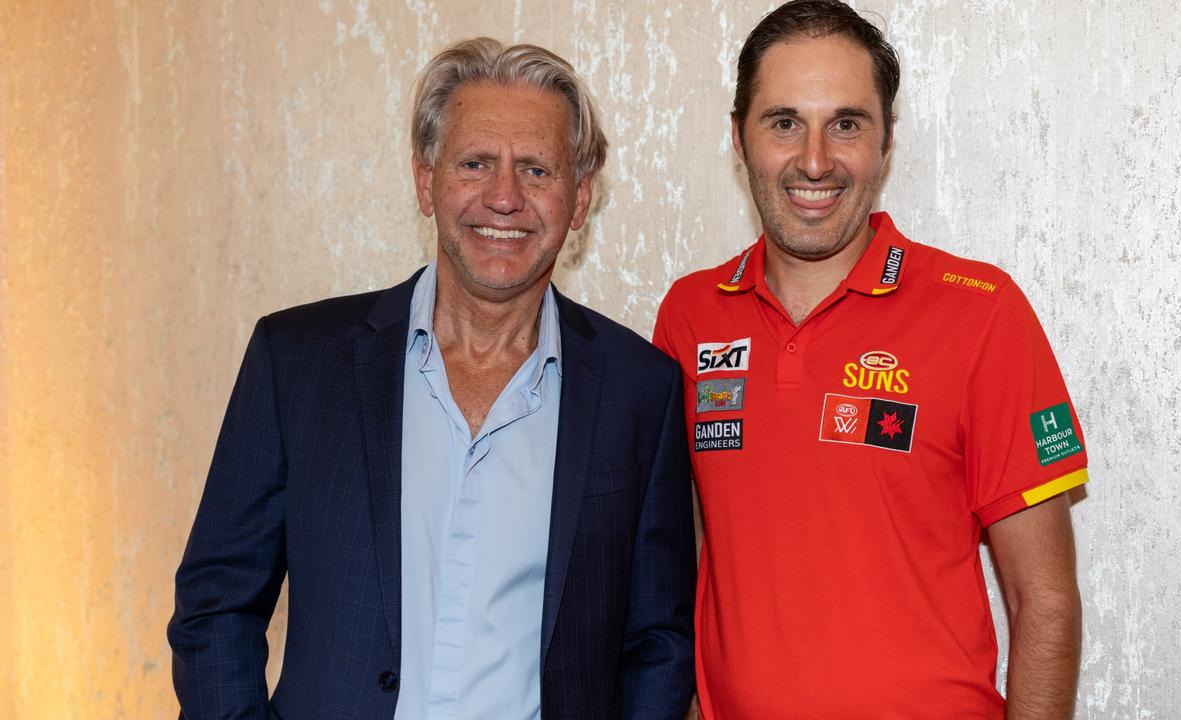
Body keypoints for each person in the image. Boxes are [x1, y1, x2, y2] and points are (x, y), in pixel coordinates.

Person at [169, 37, 696, 720]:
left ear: (580, 196)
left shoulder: (640, 391)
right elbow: (216, 603)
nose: (504, 198)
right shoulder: (297, 362)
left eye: (536, 170)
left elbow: (658, 644)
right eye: (475, 163)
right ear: (426, 181)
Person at [652, 2, 1088, 718]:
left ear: (885, 144)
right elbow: (682, 560)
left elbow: (1042, 599)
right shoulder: (690, 315)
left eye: (847, 124)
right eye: (784, 121)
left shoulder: (982, 311)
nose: (815, 160)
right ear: (739, 138)